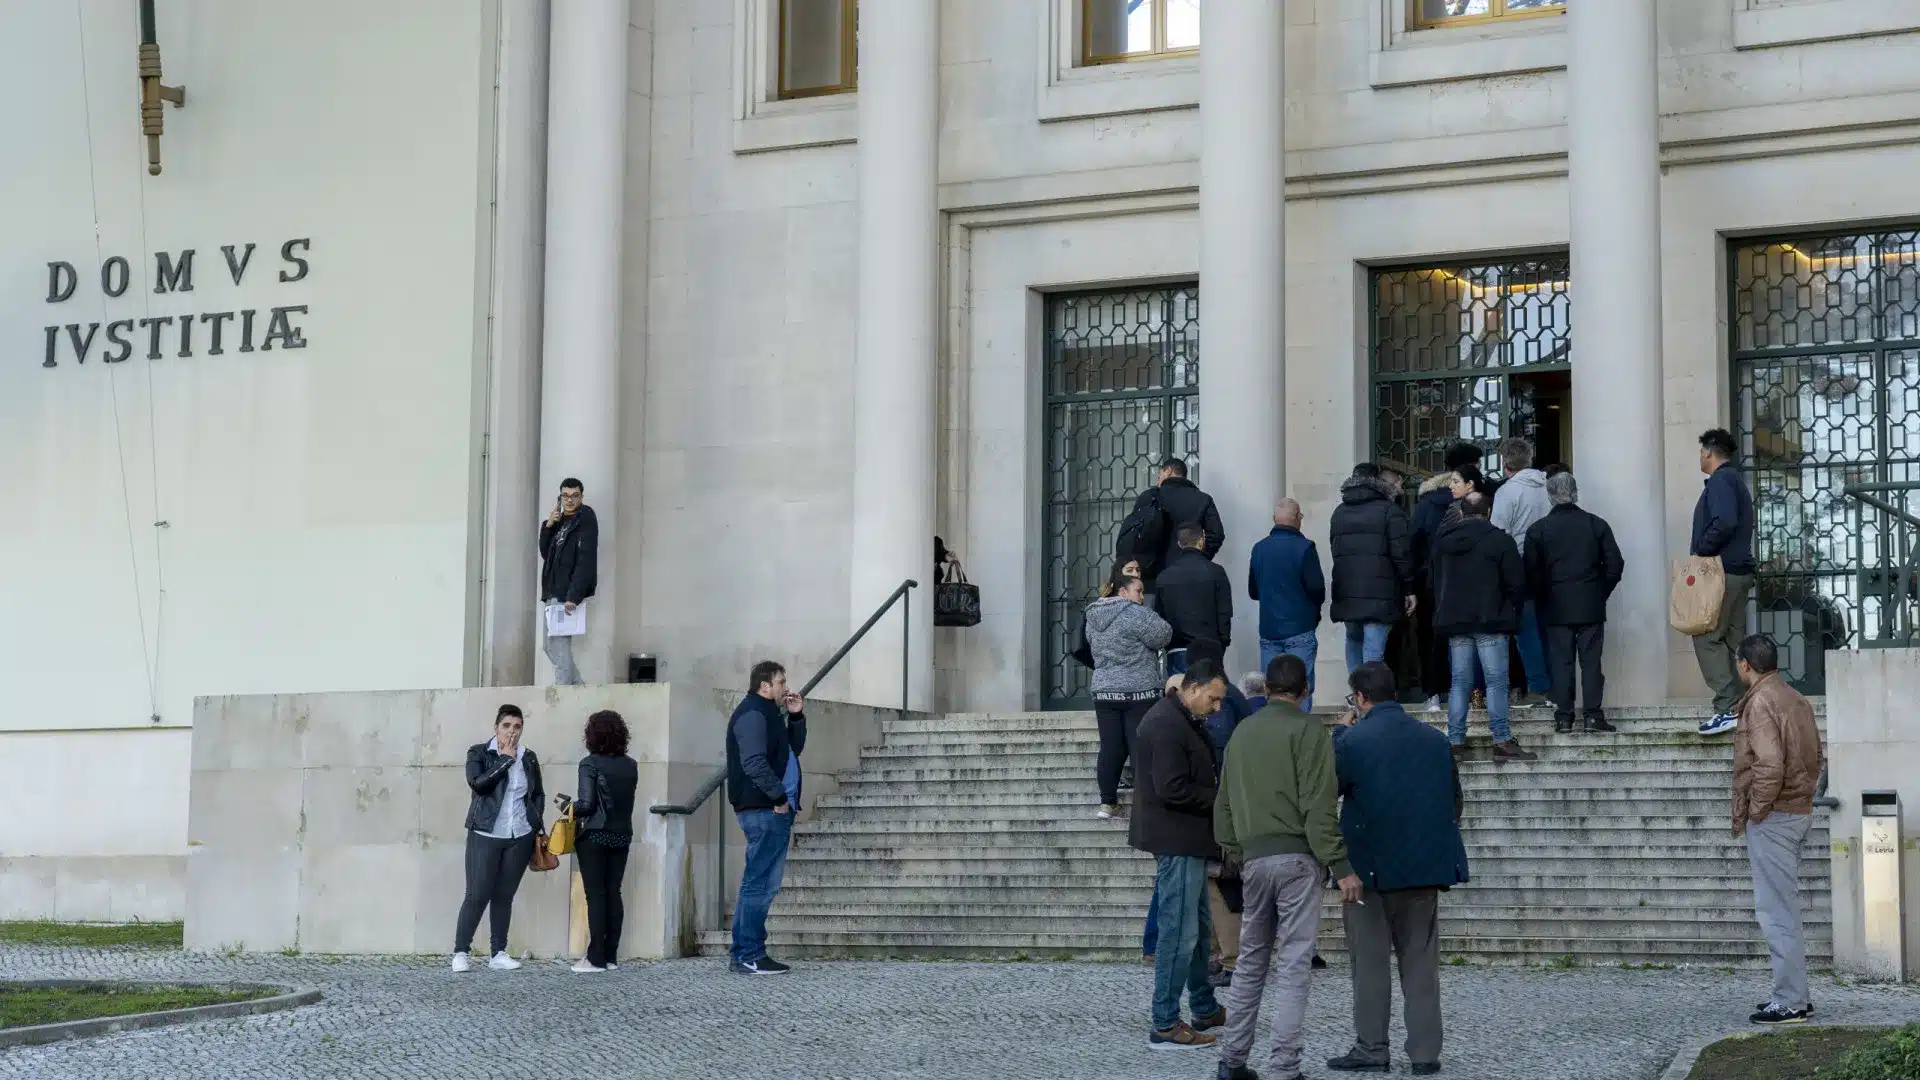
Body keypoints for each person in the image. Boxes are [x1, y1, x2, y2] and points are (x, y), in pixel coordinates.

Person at [1214, 654, 1362, 1080]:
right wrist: (1340, 863)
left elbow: (1223, 808)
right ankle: (1284, 1067)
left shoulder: (1242, 733)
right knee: (1294, 962)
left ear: (1265, 689)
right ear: (1306, 689)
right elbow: (1319, 808)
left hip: (1254, 859)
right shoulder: (1308, 730)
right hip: (1297, 859)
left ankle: (1232, 1060)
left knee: (1250, 962)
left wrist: (1238, 852)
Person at [1327, 663, 1468, 1076]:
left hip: (1368, 870)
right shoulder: (1435, 740)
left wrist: (1340, 733)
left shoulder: (1353, 740)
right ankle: (1425, 1054)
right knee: (1421, 963)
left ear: (1361, 698)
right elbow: (1454, 801)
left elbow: (1329, 791)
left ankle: (1373, 1048)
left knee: (1370, 964)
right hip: (1424, 867)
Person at [1130, 660, 1231, 1050]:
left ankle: (1204, 1007)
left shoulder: (1180, 719)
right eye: (1214, 699)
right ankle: (1166, 1023)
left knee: (1199, 928)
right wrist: (1221, 801)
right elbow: (1172, 788)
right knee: (1179, 932)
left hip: (1187, 840)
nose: (1218, 707)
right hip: (1177, 841)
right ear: (1192, 689)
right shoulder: (1166, 724)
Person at [1731, 634, 1823, 1025]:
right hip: (1797, 810)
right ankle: (1795, 995)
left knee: (1776, 912)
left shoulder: (1762, 702)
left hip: (1776, 817)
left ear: (1745, 665)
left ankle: (1790, 1001)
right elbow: (1816, 754)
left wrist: (1757, 810)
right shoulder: (1793, 696)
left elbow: (1768, 764)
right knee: (1783, 908)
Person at [1432, 493, 1538, 761]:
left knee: (1459, 683)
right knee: (1496, 682)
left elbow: (1435, 580)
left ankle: (1455, 741)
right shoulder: (1500, 540)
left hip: (1456, 620)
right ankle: (1501, 739)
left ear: (1462, 511)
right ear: (1488, 511)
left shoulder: (1444, 542)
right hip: (1492, 619)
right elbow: (1516, 583)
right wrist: (1511, 608)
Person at [1524, 472, 1626, 735]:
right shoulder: (1596, 524)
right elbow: (1615, 565)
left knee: (1561, 662)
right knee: (1591, 662)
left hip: (1555, 606)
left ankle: (1564, 717)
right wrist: (1599, 591)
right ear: (1575, 492)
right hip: (1590, 603)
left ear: (1549, 496)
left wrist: (1545, 596)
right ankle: (1592, 716)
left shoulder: (1538, 530)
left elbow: (1531, 572)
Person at [727, 660, 808, 975]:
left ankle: (745, 953)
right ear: (764, 685)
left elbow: (791, 751)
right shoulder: (752, 714)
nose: (785, 687)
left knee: (760, 883)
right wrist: (777, 798)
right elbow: (754, 762)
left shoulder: (770, 714)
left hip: (772, 809)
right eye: (780, 682)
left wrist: (797, 715)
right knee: (760, 884)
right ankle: (749, 953)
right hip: (765, 809)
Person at [452, 704, 546, 973]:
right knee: (477, 894)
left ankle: (498, 952)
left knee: (504, 895)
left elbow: (538, 793)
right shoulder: (479, 752)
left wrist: (534, 821)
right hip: (485, 832)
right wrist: (505, 759)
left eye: (517, 727)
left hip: (519, 834)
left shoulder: (529, 757)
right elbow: (478, 784)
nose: (512, 732)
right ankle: (461, 951)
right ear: (496, 727)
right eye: (506, 726)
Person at [1086, 569, 1172, 820]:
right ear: (1123, 592)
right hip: (1139, 691)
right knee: (1139, 746)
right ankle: (1146, 802)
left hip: (1104, 691)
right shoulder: (1136, 614)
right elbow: (1163, 635)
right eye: (1139, 590)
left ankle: (1107, 803)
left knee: (1110, 747)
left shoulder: (1092, 616)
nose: (1142, 596)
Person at [558, 709, 638, 973]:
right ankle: (611, 956)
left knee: (596, 895)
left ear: (591, 735)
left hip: (593, 835)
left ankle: (595, 958)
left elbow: (587, 804)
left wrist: (567, 805)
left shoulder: (589, 764)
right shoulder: (630, 765)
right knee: (614, 892)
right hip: (622, 834)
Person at [1693, 428, 1758, 736]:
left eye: (1701, 452)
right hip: (1738, 570)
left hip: (1723, 571)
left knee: (1706, 635)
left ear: (1709, 452)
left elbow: (1725, 521)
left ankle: (1726, 707)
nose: (1700, 457)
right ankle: (1741, 706)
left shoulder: (1721, 480)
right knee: (1732, 640)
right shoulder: (1735, 481)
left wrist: (1701, 550)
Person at [1412, 444, 1485, 712]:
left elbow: (1413, 542)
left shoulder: (1426, 503)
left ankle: (1435, 693)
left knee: (1434, 639)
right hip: (1469, 580)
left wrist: (1413, 583)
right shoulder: (1478, 501)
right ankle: (1472, 694)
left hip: (1432, 581)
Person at [1329, 463, 1415, 674]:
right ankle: (1370, 701)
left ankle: (1357, 698)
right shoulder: (1389, 511)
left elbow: (1336, 551)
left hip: (1348, 591)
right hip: (1381, 593)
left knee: (1353, 643)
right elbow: (1401, 554)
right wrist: (1409, 588)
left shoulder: (1339, 512)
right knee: (1373, 653)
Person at [1249, 498, 1326, 711]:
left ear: (1275, 520)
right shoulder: (1305, 547)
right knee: (1301, 688)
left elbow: (1253, 591)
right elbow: (1317, 589)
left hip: (1269, 630)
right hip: (1300, 627)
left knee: (1271, 690)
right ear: (1297, 518)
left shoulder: (1259, 548)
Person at [1490, 439, 1552, 704]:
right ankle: (1558, 685)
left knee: (1526, 630)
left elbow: (1498, 534)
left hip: (1520, 562)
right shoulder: (1549, 486)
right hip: (1551, 563)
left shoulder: (1507, 492)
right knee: (1551, 627)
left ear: (1505, 463)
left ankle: (1538, 686)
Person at [1128, 457, 1226, 588]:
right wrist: (1197, 559)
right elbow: (1216, 535)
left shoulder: (1149, 497)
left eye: (1159, 474)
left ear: (1168, 471)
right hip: (1191, 577)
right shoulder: (1203, 499)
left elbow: (1133, 534)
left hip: (1153, 578)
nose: (1158, 479)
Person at [539, 478, 599, 685]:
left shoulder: (586, 519)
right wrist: (548, 525)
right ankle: (580, 690)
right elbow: (545, 552)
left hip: (566, 594)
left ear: (581, 496)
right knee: (549, 646)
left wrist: (574, 595)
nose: (570, 500)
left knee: (558, 646)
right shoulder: (560, 522)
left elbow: (586, 559)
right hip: (552, 592)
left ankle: (563, 693)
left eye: (575, 496)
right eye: (565, 496)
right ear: (560, 497)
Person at [1158, 524, 1234, 676]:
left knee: (1180, 697)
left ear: (1179, 544)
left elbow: (1160, 616)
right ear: (1201, 541)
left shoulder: (1164, 576)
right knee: (1210, 696)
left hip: (1176, 648)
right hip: (1209, 648)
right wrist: (1222, 644)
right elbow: (1224, 613)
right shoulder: (1216, 572)